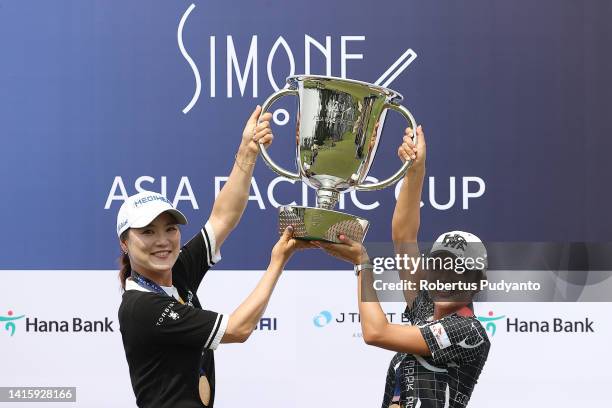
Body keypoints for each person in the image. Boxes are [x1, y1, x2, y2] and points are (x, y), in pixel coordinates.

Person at [116, 106, 313, 408]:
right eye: (147, 232)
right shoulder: (142, 306)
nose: (162, 241)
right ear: (125, 244)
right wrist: (277, 262)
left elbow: (222, 219)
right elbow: (238, 329)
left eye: (170, 229)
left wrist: (247, 152)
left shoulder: (175, 273)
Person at [313, 125, 490, 408]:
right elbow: (404, 236)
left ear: (476, 284)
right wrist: (415, 169)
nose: (446, 278)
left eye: (459, 271)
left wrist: (362, 264)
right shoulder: (424, 308)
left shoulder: (468, 331)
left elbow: (376, 332)